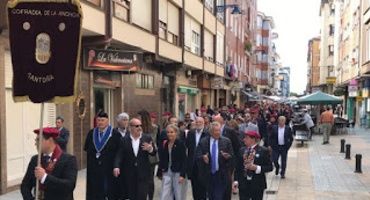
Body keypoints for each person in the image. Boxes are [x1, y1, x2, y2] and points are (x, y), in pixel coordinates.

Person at [21, 128, 78, 200]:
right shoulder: (35, 159)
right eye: (36, 140)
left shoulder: (68, 160)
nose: (35, 143)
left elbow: (69, 186)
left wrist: (45, 177)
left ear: (50, 140)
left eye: (38, 140)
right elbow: (25, 185)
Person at [114, 118, 157, 200]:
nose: (140, 128)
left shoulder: (147, 138)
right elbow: (119, 155)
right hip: (129, 173)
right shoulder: (124, 140)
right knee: (132, 196)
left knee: (142, 196)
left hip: (143, 173)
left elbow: (154, 152)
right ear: (130, 128)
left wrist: (150, 149)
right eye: (137, 126)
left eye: (140, 125)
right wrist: (116, 166)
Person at [84, 112, 122, 200]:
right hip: (94, 169)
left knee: (108, 191)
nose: (100, 122)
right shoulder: (91, 133)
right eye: (98, 120)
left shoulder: (115, 134)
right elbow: (87, 148)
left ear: (107, 121)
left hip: (108, 168)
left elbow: (119, 152)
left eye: (102, 120)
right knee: (94, 192)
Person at [196, 122, 234, 200]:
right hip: (208, 174)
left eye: (219, 130)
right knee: (211, 196)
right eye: (216, 131)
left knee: (218, 196)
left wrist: (227, 157)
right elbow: (197, 156)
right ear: (211, 132)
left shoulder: (226, 141)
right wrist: (203, 157)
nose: (218, 132)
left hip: (221, 174)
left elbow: (232, 157)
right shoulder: (203, 142)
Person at [234, 130, 273, 200]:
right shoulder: (242, 150)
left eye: (246, 138)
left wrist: (257, 168)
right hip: (243, 184)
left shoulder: (263, 151)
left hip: (257, 184)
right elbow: (238, 167)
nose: (244, 139)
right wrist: (236, 181)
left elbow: (270, 167)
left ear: (253, 139)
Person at [213, 114, 241, 200]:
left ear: (222, 120)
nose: (214, 122)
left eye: (216, 120)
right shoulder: (211, 131)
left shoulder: (230, 131)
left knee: (227, 183)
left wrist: (233, 158)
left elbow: (237, 146)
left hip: (228, 163)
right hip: (215, 163)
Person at [159, 124, 187, 200]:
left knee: (178, 195)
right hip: (167, 172)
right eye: (168, 132)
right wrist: (160, 170)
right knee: (164, 195)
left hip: (177, 172)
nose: (169, 134)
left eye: (172, 132)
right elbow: (163, 158)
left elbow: (184, 160)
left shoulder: (180, 144)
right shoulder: (165, 144)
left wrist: (182, 175)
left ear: (176, 133)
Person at [186, 117, 209, 200]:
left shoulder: (207, 133)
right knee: (194, 187)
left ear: (203, 123)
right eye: (197, 122)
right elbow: (188, 147)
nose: (198, 124)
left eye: (200, 122)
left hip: (203, 164)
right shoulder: (191, 133)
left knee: (203, 189)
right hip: (193, 164)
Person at [138, 110, 159, 200]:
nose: (137, 119)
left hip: (151, 157)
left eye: (139, 117)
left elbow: (153, 140)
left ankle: (150, 197)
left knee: (150, 179)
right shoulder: (136, 127)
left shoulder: (154, 128)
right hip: (139, 156)